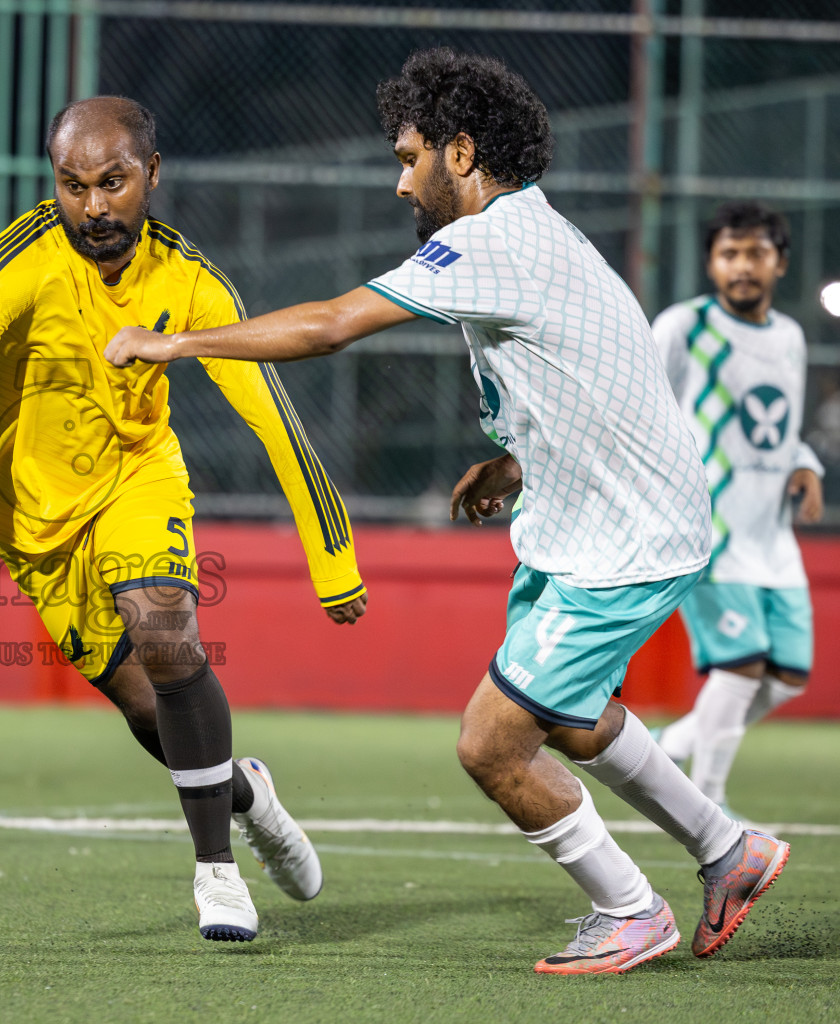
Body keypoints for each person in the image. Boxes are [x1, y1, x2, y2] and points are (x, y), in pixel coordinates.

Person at [105, 49, 788, 974]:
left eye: (408, 156)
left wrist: (174, 343)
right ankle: (728, 849)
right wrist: (515, 460)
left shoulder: (494, 242)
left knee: (492, 743)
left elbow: (331, 325)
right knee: (572, 717)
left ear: (460, 153)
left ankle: (631, 910)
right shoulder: (533, 232)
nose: (400, 182)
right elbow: (595, 374)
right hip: (591, 523)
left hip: (624, 541)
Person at [0, 96, 368, 944]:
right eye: (73, 186)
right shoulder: (21, 259)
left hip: (139, 475)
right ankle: (249, 795)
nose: (94, 206)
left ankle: (216, 873)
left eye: (113, 182)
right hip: (33, 522)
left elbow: (273, 416)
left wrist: (334, 559)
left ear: (151, 175)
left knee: (166, 636)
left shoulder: (190, 279)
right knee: (145, 707)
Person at [650, 202, 824, 819]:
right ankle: (710, 806)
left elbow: (783, 426)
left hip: (771, 535)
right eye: (729, 254)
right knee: (741, 668)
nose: (742, 266)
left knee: (788, 676)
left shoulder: (790, 336)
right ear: (711, 263)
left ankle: (672, 745)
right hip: (709, 530)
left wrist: (805, 463)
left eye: (756, 254)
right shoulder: (684, 326)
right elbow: (643, 406)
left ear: (780, 263)